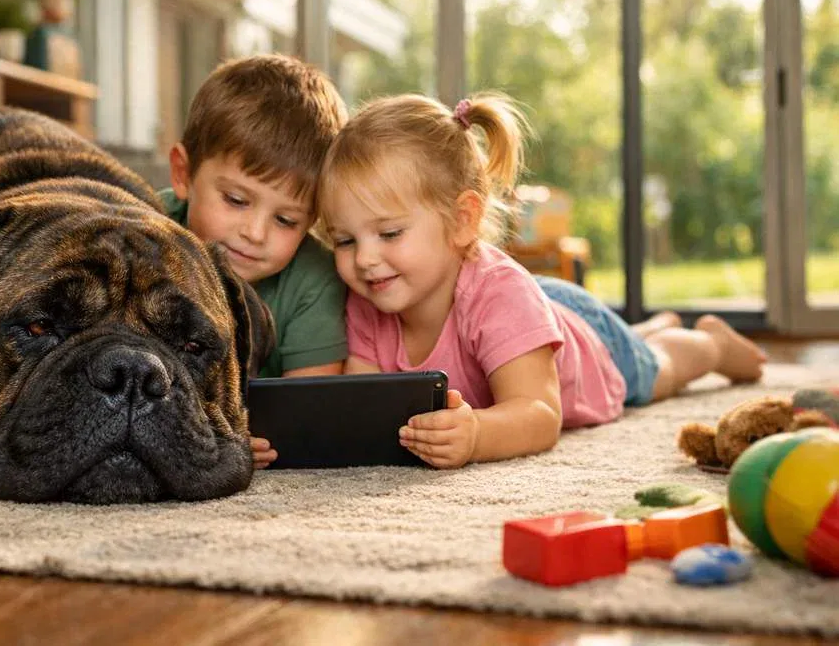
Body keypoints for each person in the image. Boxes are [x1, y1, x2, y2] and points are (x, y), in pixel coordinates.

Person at [316, 92, 768, 468]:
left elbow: (539, 414)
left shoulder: (497, 295)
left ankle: (711, 343)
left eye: (389, 233)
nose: (366, 260)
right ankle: (652, 327)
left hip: (586, 342)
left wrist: (477, 435)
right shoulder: (367, 299)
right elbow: (361, 408)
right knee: (628, 340)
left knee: (656, 369)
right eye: (344, 241)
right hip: (538, 313)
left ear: (462, 220)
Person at [160, 54, 350, 469]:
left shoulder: (316, 279)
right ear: (183, 174)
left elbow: (309, 406)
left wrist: (251, 429)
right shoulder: (145, 232)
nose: (255, 232)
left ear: (312, 221)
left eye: (286, 220)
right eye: (236, 200)